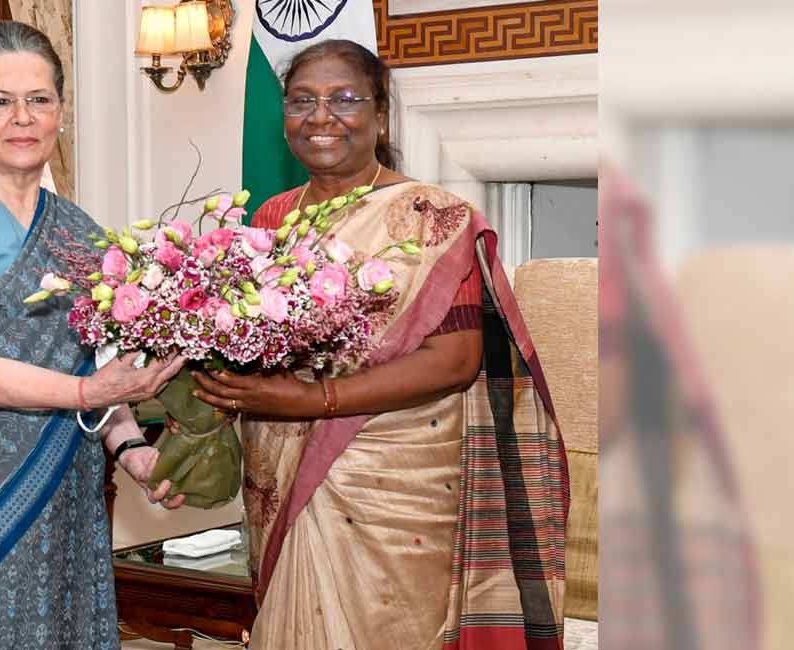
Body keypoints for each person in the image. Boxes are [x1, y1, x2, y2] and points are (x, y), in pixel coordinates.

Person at [193, 39, 570, 650]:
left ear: (381, 116)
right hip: (280, 464)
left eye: (344, 99)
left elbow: (456, 361)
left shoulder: (432, 216)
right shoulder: (270, 220)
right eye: (302, 101)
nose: (321, 117)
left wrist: (315, 401)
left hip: (393, 476)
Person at [0, 21, 186, 650]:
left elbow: (94, 365)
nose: (22, 118)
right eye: (0, 101)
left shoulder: (80, 230)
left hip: (61, 479)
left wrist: (131, 448)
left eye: (39, 99)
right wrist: (89, 395)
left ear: (60, 112)